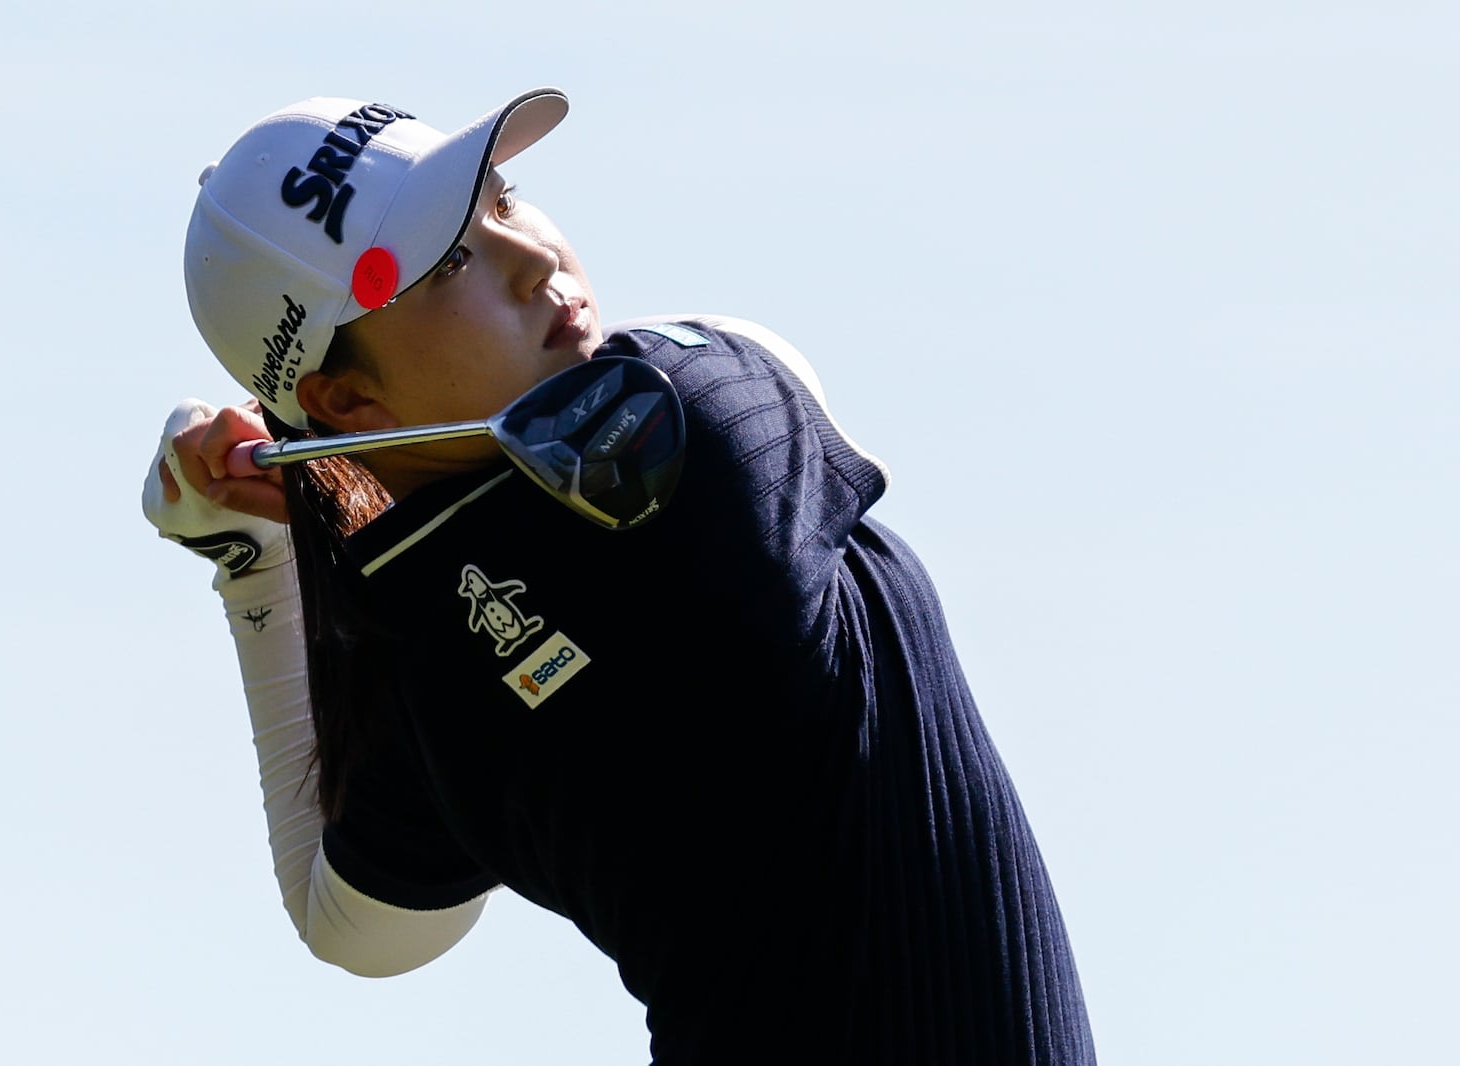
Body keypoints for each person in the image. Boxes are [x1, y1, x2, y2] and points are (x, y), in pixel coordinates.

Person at [143, 85, 1097, 1065]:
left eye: (502, 199)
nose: (535, 257)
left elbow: (359, 931)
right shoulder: (703, 415)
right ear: (344, 393)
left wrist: (256, 563)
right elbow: (764, 348)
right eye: (450, 263)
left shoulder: (424, 648)